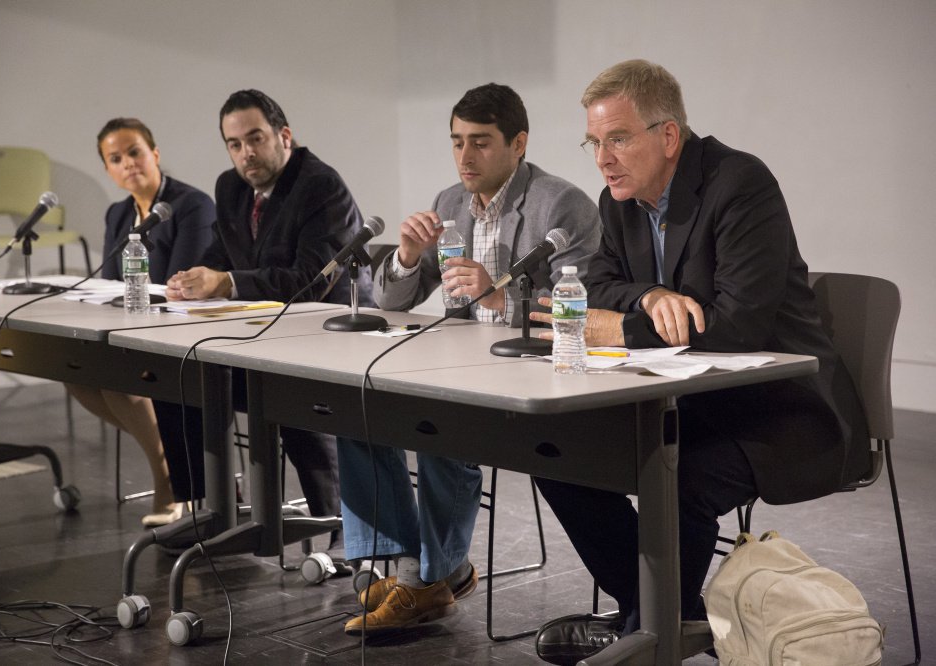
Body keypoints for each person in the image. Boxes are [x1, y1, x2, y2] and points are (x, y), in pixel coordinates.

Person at [528, 60, 871, 665]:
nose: (603, 158)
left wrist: (622, 325)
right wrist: (648, 297)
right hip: (691, 402)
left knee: (678, 479)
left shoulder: (739, 183)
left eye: (618, 139)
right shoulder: (620, 202)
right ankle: (657, 617)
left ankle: (644, 634)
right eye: (594, 143)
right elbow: (601, 282)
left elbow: (737, 329)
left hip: (782, 411)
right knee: (556, 453)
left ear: (667, 136)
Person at [341, 83, 601, 636]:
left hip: (534, 376)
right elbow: (395, 301)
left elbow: (584, 314)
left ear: (519, 143)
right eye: (457, 142)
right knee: (355, 403)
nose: (464, 156)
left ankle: (429, 579)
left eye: (480, 142)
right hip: (461, 364)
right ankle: (414, 567)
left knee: (438, 428)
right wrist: (408, 256)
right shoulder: (449, 202)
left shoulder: (563, 205)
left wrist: (503, 297)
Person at [163, 89, 374, 550]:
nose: (246, 153)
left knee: (283, 395)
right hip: (263, 334)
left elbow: (309, 281)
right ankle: (210, 507)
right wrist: (191, 279)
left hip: (329, 334)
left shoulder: (320, 185)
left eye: (255, 139)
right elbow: (223, 256)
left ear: (284, 135)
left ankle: (337, 529)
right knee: (180, 379)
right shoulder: (231, 186)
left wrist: (225, 283)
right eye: (234, 144)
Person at [66, 117, 215, 527]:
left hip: (186, 332)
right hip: (135, 327)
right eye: (116, 158)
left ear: (155, 154)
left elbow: (185, 279)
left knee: (121, 381)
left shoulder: (192, 204)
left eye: (134, 152)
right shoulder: (118, 214)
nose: (128, 163)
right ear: (109, 171)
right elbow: (111, 281)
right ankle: (173, 458)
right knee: (76, 374)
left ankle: (168, 482)